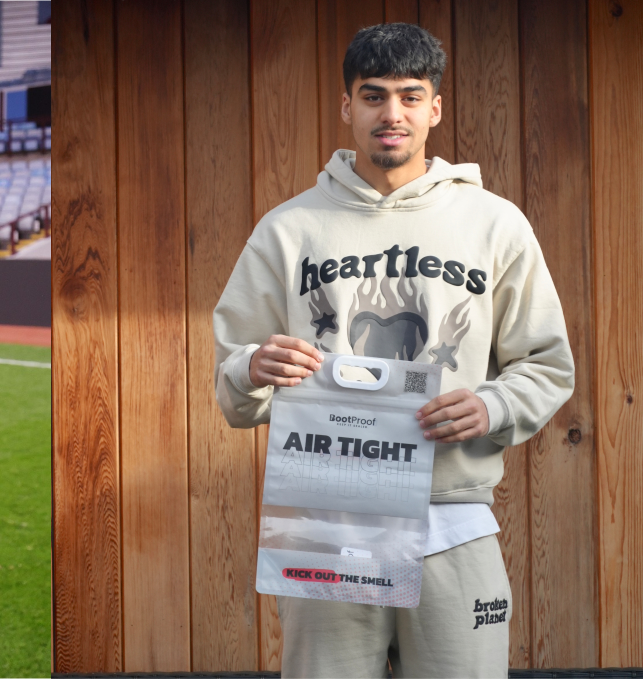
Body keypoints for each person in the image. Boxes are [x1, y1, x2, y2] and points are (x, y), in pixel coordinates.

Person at [212, 23, 573, 679]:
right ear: (347, 107)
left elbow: (548, 364)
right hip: (329, 520)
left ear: (435, 108)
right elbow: (233, 377)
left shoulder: (495, 223)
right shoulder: (288, 229)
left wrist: (491, 406)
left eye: (411, 96)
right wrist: (251, 366)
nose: (392, 113)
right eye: (373, 95)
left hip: (455, 520)